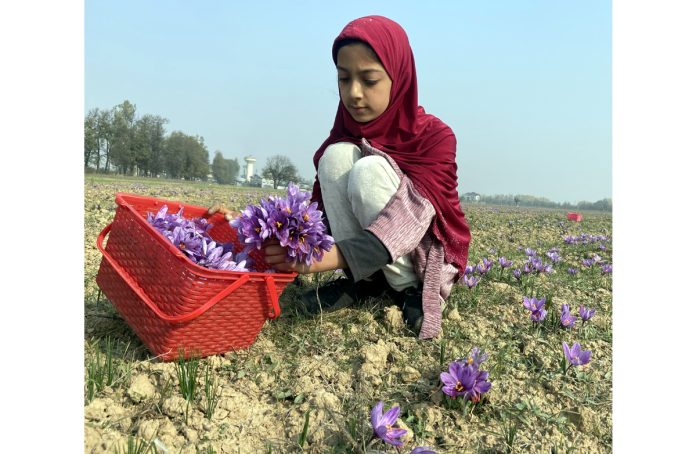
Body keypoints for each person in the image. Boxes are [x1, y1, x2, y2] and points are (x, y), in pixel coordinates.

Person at [220, 15, 471, 339]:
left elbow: (408, 218)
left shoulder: (434, 137)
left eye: (369, 80)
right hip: (368, 256)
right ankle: (365, 281)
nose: (353, 93)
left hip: (421, 255)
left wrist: (325, 259)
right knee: (335, 157)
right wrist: (250, 225)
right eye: (344, 78)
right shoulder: (347, 132)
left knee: (368, 170)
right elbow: (316, 209)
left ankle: (408, 288)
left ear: (399, 78)